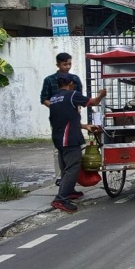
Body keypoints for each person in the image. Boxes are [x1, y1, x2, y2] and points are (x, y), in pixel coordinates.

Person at [49, 75, 106, 213]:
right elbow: (94, 102)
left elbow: (65, 118)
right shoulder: (72, 95)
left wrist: (85, 126)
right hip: (69, 138)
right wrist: (101, 95)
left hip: (58, 137)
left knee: (65, 167)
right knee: (73, 168)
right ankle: (61, 199)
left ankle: (69, 191)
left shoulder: (54, 98)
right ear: (70, 84)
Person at [41, 52, 86, 192]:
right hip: (57, 118)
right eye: (65, 64)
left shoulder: (75, 79)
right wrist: (57, 107)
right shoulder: (49, 80)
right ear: (58, 64)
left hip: (72, 117)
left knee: (73, 146)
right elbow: (44, 99)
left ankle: (70, 185)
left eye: (69, 64)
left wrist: (74, 108)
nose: (67, 67)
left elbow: (79, 97)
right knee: (59, 149)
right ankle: (61, 178)